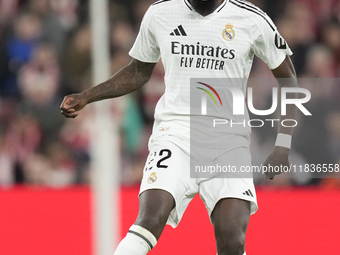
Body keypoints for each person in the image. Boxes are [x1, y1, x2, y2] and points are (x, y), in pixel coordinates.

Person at [60, 0, 298, 254]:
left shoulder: (251, 19)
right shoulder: (161, 13)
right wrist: (88, 96)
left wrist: (283, 143)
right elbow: (138, 71)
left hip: (229, 141)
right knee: (149, 220)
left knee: (232, 238)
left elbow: (290, 79)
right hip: (175, 134)